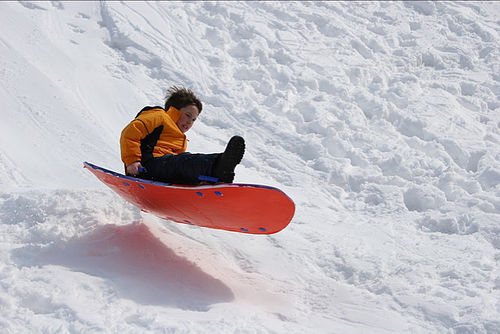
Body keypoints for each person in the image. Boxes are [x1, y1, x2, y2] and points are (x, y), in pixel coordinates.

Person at [120, 86, 245, 185]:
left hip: (162, 171)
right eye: (187, 115)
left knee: (184, 165)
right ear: (174, 110)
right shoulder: (159, 116)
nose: (190, 122)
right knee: (183, 162)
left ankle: (212, 178)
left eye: (194, 120)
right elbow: (129, 134)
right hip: (146, 166)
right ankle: (218, 166)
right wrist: (132, 161)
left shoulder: (181, 139)